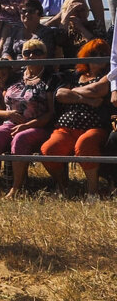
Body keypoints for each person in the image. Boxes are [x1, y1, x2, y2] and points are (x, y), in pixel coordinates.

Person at [0, 37, 55, 197]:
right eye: (28, 53)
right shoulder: (16, 77)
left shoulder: (50, 78)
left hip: (37, 125)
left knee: (20, 138)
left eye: (37, 52)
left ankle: (15, 189)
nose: (32, 56)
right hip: (10, 123)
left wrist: (27, 125)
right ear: (23, 56)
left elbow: (50, 113)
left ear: (44, 55)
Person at [41, 38, 111, 197]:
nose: (98, 56)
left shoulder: (108, 76)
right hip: (66, 127)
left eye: (103, 54)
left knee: (84, 145)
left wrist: (73, 91)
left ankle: (92, 191)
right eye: (94, 53)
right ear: (86, 55)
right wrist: (87, 99)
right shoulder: (73, 75)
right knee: (48, 150)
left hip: (95, 126)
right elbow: (60, 94)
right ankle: (63, 186)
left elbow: (99, 90)